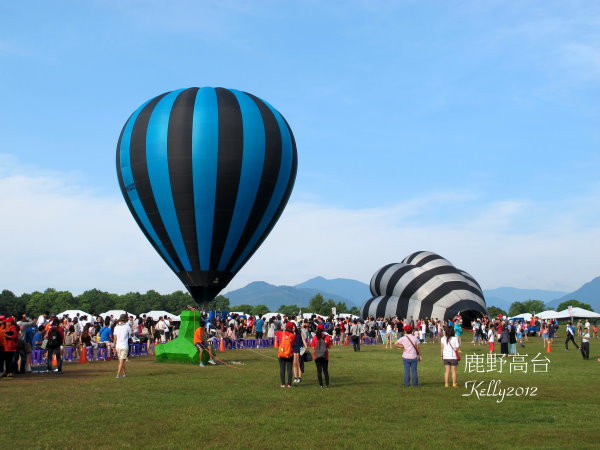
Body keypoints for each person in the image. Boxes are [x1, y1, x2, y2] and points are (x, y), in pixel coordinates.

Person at [311, 324, 332, 388]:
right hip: (325, 356)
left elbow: (313, 347)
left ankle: (321, 385)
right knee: (325, 370)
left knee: (319, 370)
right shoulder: (327, 337)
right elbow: (329, 346)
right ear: (323, 329)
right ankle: (327, 384)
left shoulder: (315, 338)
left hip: (317, 356)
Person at [276, 322, 295, 388]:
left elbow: (276, 332)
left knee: (282, 368)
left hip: (281, 353)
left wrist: (282, 329)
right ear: (292, 328)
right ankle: (289, 384)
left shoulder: (281, 333)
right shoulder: (293, 335)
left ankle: (283, 384)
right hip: (290, 354)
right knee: (289, 369)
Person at [113, 314, 131, 378]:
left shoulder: (116, 327)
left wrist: (114, 346)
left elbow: (115, 338)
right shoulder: (127, 326)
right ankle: (117, 374)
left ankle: (124, 374)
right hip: (124, 346)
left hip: (118, 346)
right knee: (121, 362)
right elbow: (130, 335)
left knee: (121, 361)